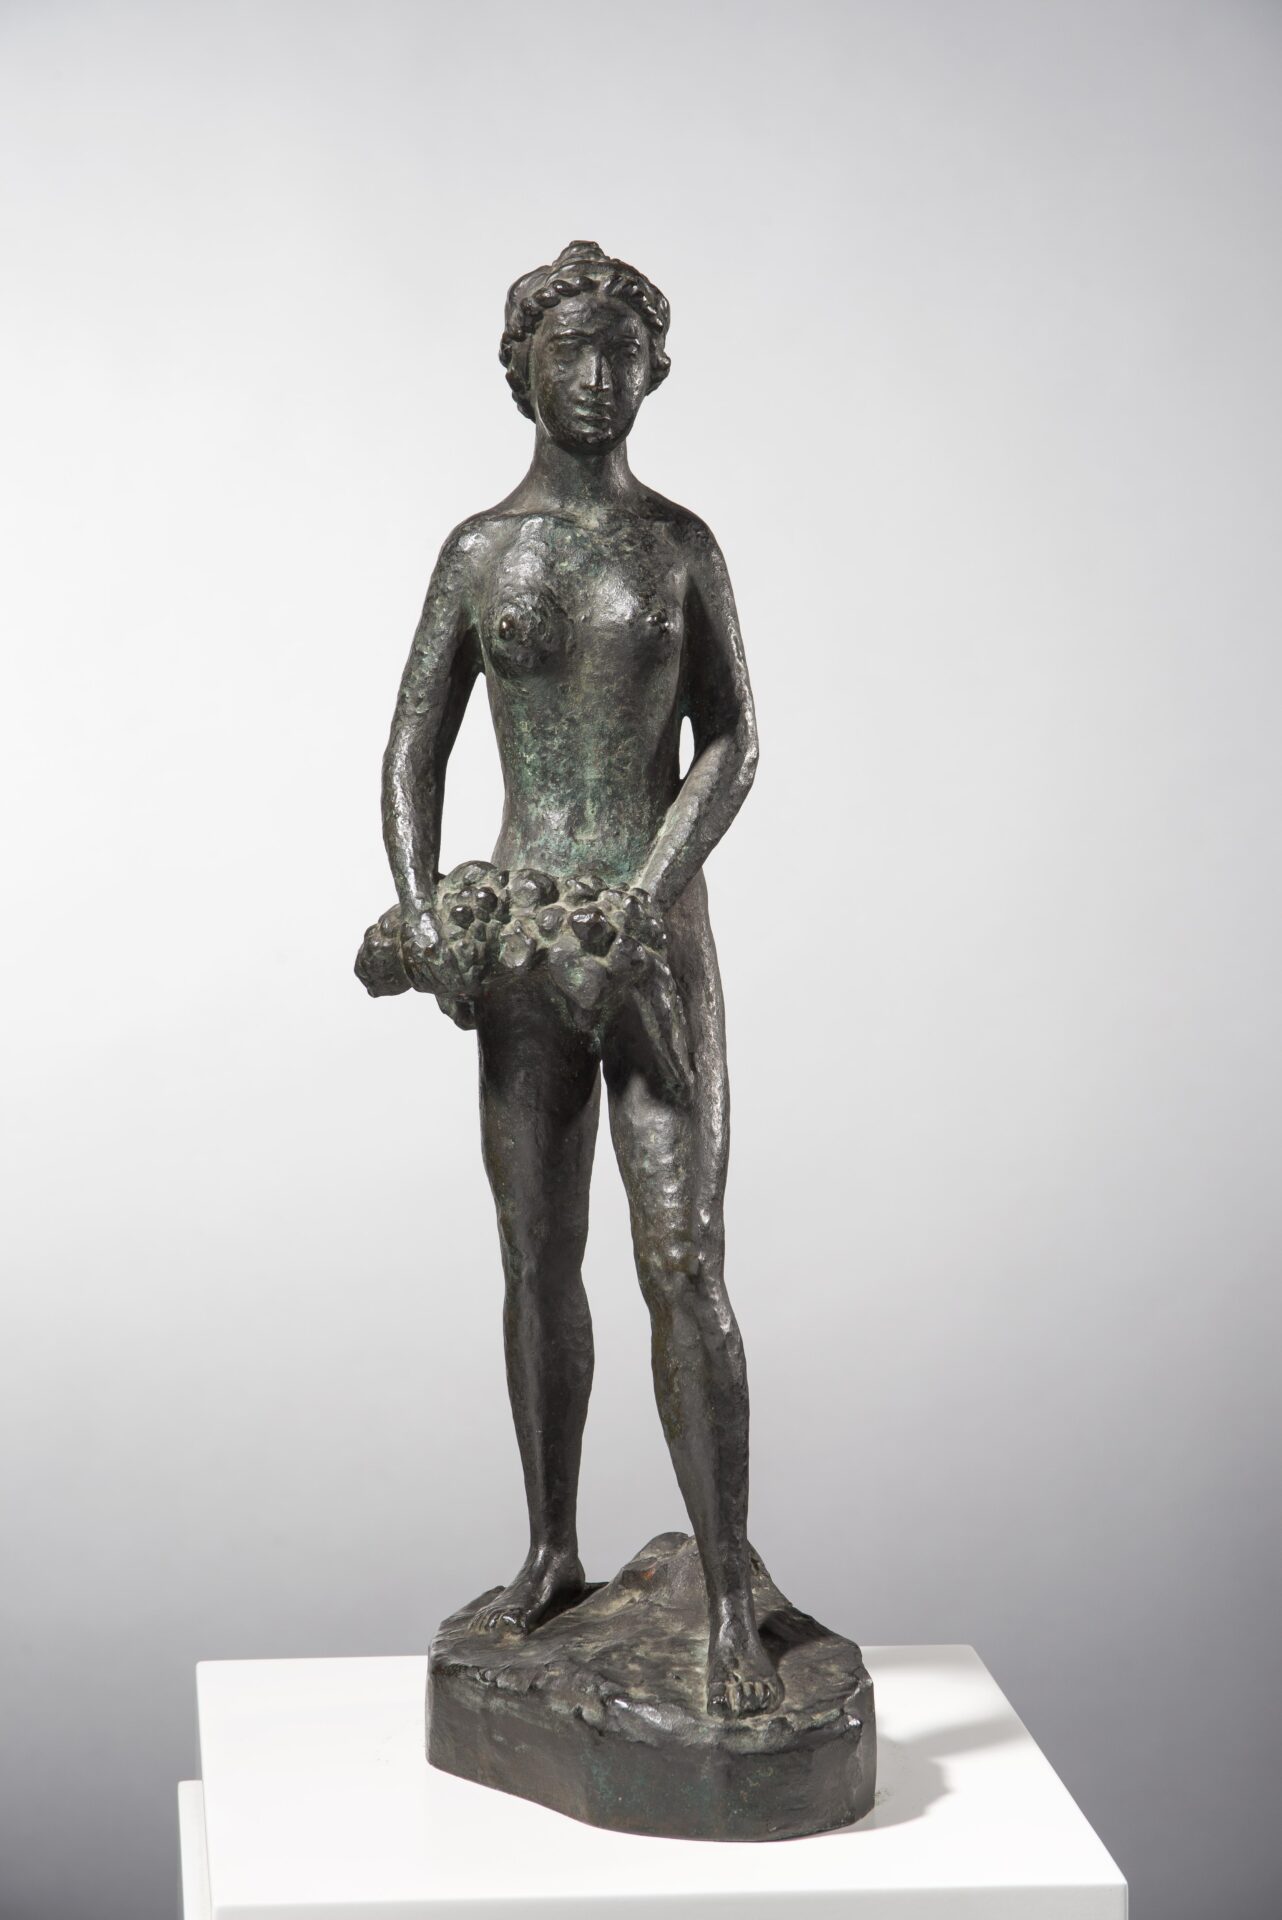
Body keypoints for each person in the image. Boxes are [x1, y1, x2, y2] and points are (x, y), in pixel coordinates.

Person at [366, 241, 780, 1716]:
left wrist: (648, 897)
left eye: (621, 354)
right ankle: (552, 1550)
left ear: (652, 373)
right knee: (536, 1254)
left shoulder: (677, 546)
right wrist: (424, 911)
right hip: (523, 943)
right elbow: (411, 746)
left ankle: (724, 1591)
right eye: (571, 352)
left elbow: (734, 739)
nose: (597, 378)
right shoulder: (482, 553)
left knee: (683, 1258)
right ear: (522, 369)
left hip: (652, 948)